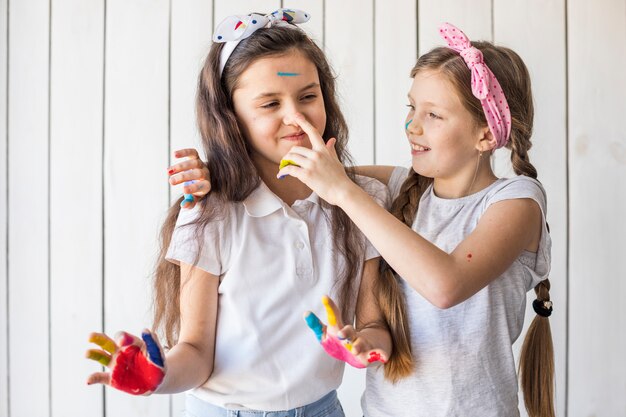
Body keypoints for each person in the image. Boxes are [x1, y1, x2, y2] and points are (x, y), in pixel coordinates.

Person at [177, 22, 556, 417]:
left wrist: (343, 191)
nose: (412, 126)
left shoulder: (517, 202)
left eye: (434, 115)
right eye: (411, 107)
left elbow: (447, 285)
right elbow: (291, 172)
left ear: (485, 135)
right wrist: (215, 172)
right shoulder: (399, 187)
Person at [85, 8, 414, 417]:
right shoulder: (209, 212)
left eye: (308, 96)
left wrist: (367, 347)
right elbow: (196, 352)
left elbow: (372, 324)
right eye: (270, 103)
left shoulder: (361, 200)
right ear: (230, 118)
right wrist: (157, 376)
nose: (295, 117)